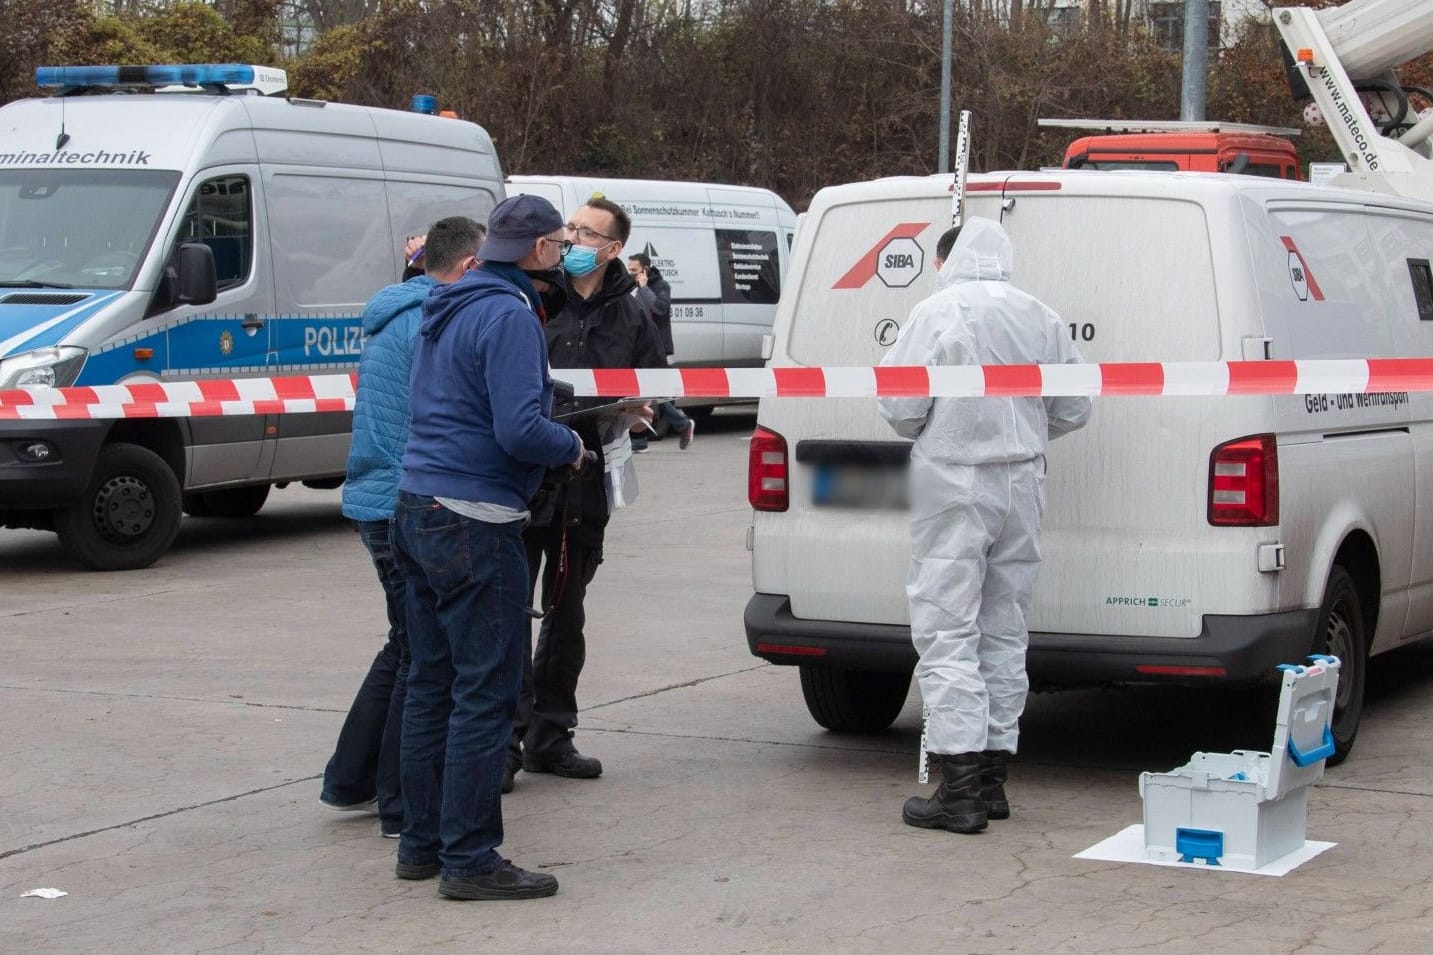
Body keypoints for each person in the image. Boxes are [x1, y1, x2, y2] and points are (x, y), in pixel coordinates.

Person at [393, 194, 583, 901]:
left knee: (431, 682)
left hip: (417, 506)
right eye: (561, 245)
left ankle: (422, 844)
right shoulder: (507, 313)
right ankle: (469, 858)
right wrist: (571, 448)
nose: (565, 256)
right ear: (535, 250)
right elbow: (519, 429)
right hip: (472, 518)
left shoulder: (447, 304)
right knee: (484, 692)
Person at [877, 218, 1091, 834]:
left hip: (951, 481)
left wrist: (942, 430)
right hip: (1021, 482)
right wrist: (1022, 430)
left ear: (948, 259)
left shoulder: (936, 311)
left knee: (947, 631)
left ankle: (960, 788)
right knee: (1004, 627)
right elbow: (1075, 405)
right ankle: (993, 778)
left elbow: (899, 404)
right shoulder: (1041, 315)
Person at [320, 217, 486, 839]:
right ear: (469, 265)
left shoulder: (400, 312)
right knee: (419, 657)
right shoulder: (433, 323)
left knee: (404, 646)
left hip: (379, 499)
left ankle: (351, 779)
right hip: (404, 502)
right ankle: (397, 802)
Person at [506, 196, 666, 789]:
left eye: (584, 232)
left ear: (613, 248)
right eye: (569, 229)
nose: (571, 240)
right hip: (525, 478)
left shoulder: (635, 311)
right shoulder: (535, 296)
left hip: (587, 481)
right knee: (509, 613)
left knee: (566, 615)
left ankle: (552, 734)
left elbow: (655, 386)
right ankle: (504, 741)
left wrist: (640, 411)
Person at [627, 253, 695, 451]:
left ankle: (680, 424)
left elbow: (659, 309)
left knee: (649, 391)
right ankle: (641, 439)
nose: (630, 274)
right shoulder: (633, 288)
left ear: (645, 270)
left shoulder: (660, 286)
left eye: (634, 270)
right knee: (643, 391)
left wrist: (645, 287)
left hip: (656, 349)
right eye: (629, 269)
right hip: (639, 347)